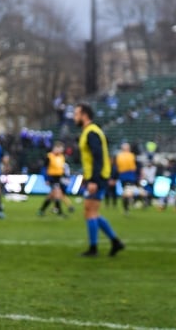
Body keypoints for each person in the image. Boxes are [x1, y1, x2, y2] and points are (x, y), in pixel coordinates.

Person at [74, 103, 124, 257]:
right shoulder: (89, 131)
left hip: (98, 178)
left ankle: (94, 248)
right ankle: (115, 242)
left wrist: (93, 181)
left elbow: (98, 158)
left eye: (76, 114)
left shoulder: (91, 132)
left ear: (85, 115)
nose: (74, 117)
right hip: (96, 177)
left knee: (90, 211)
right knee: (92, 211)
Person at [38, 141, 70, 217]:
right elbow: (44, 168)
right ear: (55, 148)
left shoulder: (61, 157)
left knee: (51, 195)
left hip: (58, 178)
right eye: (59, 148)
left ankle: (41, 210)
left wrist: (64, 176)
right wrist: (46, 179)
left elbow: (61, 168)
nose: (61, 150)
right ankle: (60, 212)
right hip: (51, 178)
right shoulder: (49, 156)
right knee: (57, 193)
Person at [115, 142, 140, 215]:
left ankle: (127, 206)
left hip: (124, 176)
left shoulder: (119, 156)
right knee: (128, 192)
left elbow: (117, 167)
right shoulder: (131, 155)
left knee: (126, 192)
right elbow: (135, 167)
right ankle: (129, 204)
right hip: (130, 176)